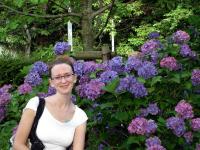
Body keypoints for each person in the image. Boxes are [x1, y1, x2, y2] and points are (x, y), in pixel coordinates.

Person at [13, 56, 88, 150]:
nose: (63, 81)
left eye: (67, 75)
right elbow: (18, 144)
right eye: (57, 77)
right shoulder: (36, 105)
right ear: (51, 82)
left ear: (74, 78)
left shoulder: (80, 116)